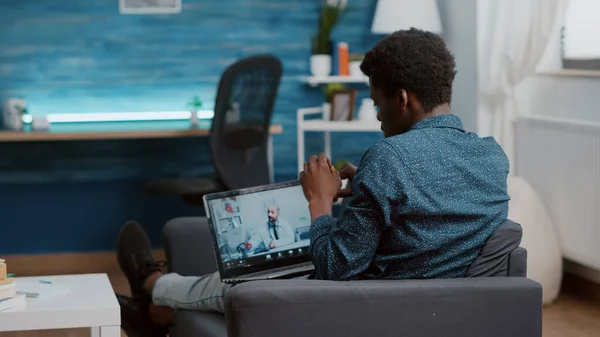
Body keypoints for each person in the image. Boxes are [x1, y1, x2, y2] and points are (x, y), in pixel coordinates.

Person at [116, 28, 509, 336]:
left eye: (376, 103)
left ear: (403, 99)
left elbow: (334, 270)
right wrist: (370, 188)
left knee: (239, 283)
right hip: (435, 308)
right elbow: (429, 211)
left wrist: (319, 203)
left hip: (360, 305)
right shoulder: (492, 157)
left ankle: (151, 283)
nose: (377, 117)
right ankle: (156, 314)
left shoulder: (390, 157)